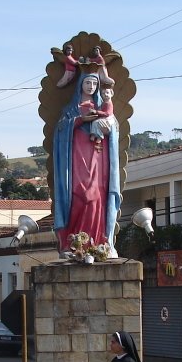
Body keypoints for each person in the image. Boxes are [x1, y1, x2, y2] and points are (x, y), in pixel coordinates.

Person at [52, 70, 122, 256]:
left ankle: (99, 241)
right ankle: (73, 242)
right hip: (76, 156)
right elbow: (59, 131)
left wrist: (108, 125)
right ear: (80, 85)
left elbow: (113, 129)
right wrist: (80, 120)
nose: (91, 87)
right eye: (87, 83)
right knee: (79, 194)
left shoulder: (104, 107)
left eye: (94, 84)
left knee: (97, 195)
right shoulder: (70, 110)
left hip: (98, 157)